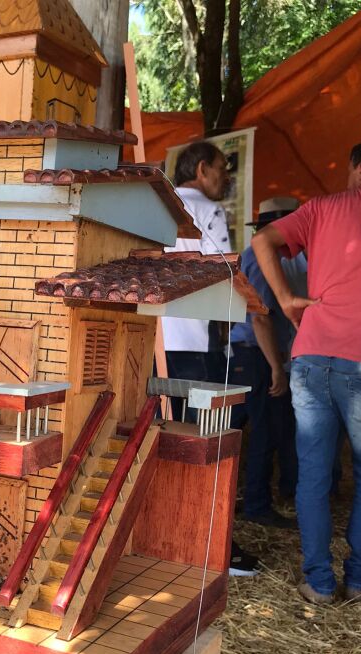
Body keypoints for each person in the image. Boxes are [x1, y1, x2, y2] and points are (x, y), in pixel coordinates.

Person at [252, 137, 361, 605]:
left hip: (310, 355)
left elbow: (262, 239)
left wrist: (285, 299)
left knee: (313, 474)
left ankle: (320, 583)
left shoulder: (324, 207)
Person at [163, 141, 259, 577]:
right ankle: (209, 543)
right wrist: (255, 305)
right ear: (201, 169)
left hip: (152, 339)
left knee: (159, 438)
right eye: (221, 170)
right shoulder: (208, 211)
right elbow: (224, 268)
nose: (225, 179)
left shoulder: (160, 200)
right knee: (201, 441)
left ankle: (168, 530)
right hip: (190, 343)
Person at [230, 199, 300, 529]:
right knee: (265, 431)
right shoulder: (263, 256)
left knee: (237, 426)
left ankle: (239, 498)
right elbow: (260, 318)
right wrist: (276, 366)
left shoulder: (251, 254)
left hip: (248, 350)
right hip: (256, 351)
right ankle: (257, 504)